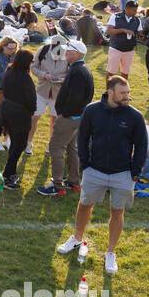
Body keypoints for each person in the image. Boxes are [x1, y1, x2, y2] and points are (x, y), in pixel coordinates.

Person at [55, 75, 146, 275]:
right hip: (94, 171)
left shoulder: (134, 116)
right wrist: (86, 165)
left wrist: (135, 172)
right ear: (110, 92)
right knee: (85, 205)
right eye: (123, 93)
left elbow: (141, 147)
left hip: (123, 173)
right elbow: (83, 138)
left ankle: (111, 253)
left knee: (117, 211)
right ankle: (77, 239)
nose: (127, 96)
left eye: (128, 92)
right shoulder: (92, 111)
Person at [37, 39, 91, 197]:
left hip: (70, 117)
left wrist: (63, 113)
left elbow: (74, 97)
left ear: (77, 54)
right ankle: (74, 182)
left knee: (56, 147)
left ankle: (57, 185)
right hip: (77, 117)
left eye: (69, 51)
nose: (65, 53)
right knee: (71, 148)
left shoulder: (77, 71)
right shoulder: (81, 69)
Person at [0, 49, 36, 188]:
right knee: (19, 145)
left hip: (6, 110)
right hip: (20, 115)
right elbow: (31, 100)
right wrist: (31, 111)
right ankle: (7, 176)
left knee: (15, 143)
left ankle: (10, 172)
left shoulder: (9, 72)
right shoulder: (25, 78)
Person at [105, 0, 141, 80]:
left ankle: (124, 91)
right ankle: (108, 91)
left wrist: (144, 35)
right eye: (134, 10)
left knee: (125, 73)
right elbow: (109, 31)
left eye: (136, 10)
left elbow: (140, 33)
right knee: (111, 72)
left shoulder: (137, 20)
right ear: (127, 9)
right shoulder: (115, 16)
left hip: (129, 50)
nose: (135, 12)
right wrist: (123, 30)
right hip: (115, 48)